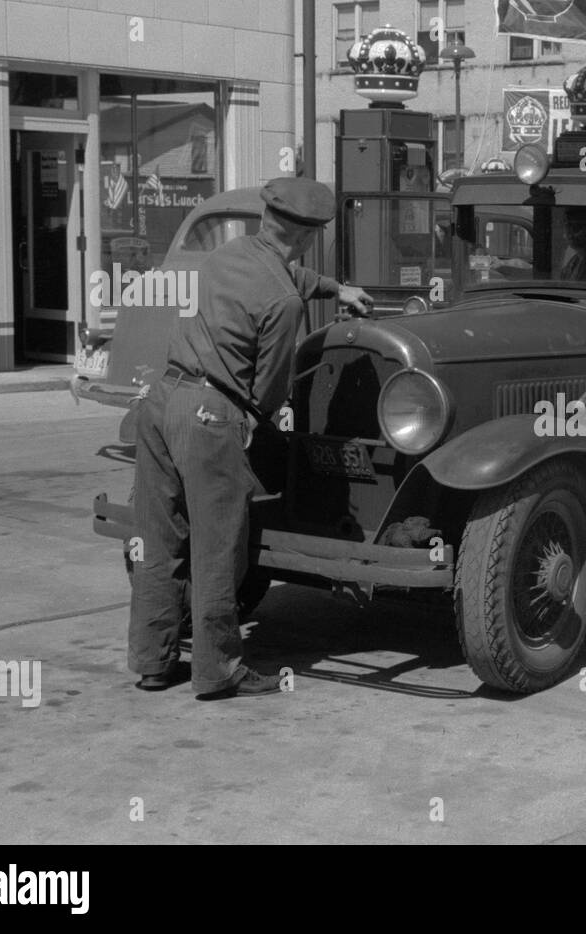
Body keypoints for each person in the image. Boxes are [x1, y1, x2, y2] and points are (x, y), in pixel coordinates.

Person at [128, 177, 373, 699]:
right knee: (218, 548)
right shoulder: (284, 302)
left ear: (267, 220)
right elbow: (267, 393)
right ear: (309, 236)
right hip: (209, 413)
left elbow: (282, 271)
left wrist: (335, 288)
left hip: (158, 400)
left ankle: (153, 661)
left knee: (160, 540)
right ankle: (217, 672)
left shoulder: (229, 253)